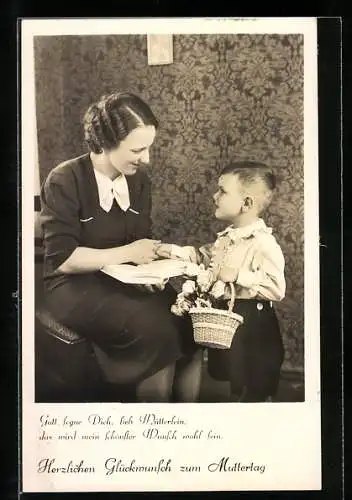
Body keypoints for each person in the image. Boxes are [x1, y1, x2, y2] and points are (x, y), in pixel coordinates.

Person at [39, 91, 203, 402]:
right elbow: (62, 259)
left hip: (124, 278)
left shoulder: (139, 182)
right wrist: (129, 255)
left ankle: (188, 427)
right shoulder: (65, 179)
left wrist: (162, 258)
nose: (147, 159)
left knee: (189, 318)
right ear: (105, 141)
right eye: (138, 149)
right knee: (157, 331)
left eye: (149, 148)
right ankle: (155, 429)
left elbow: (138, 240)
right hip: (73, 286)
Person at [157, 161, 286, 402]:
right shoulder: (226, 238)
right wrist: (171, 250)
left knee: (253, 385)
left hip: (254, 326)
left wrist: (237, 275)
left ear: (247, 203)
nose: (214, 196)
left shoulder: (263, 243)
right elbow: (204, 257)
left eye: (222, 191)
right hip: (228, 319)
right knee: (234, 380)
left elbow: (277, 288)